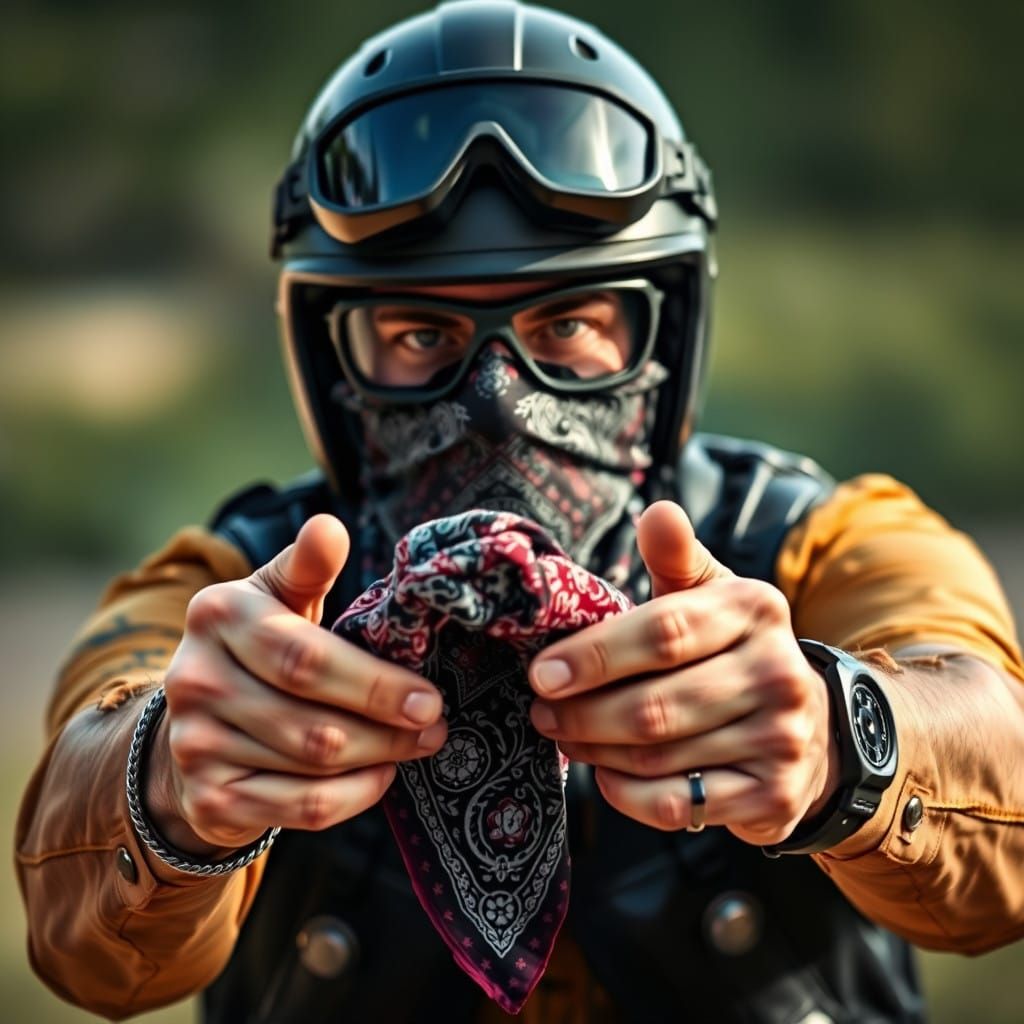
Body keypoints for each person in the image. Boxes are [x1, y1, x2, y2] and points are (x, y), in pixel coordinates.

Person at [15, 2, 1024, 1021]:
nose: (496, 399)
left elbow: (996, 784)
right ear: (331, 356)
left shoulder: (817, 547)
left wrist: (840, 739)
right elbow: (80, 916)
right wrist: (165, 783)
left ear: (664, 332)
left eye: (570, 321)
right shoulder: (230, 602)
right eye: (419, 334)